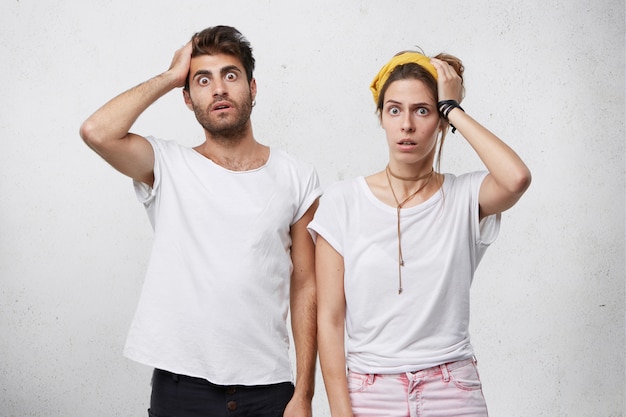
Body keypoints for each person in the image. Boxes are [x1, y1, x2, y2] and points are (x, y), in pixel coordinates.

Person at [80, 25, 320, 417]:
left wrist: (304, 394)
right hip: (181, 389)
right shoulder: (168, 165)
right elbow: (97, 132)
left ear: (252, 88)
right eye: (203, 80)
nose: (220, 89)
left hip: (269, 389)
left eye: (230, 75)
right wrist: (171, 76)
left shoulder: (297, 176)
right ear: (188, 100)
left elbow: (307, 286)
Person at [309, 50, 531, 417]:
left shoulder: (464, 197)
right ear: (380, 117)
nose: (407, 124)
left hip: (452, 389)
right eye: (394, 110)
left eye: (423, 110)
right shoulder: (341, 201)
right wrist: (340, 412)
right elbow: (330, 321)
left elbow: (516, 178)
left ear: (441, 121)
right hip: (369, 392)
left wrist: (452, 107)